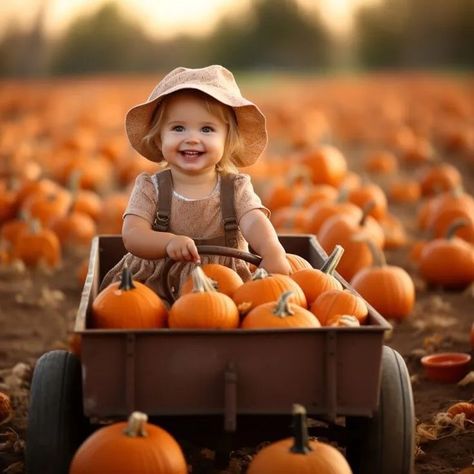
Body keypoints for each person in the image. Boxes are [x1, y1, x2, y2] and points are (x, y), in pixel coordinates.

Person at [101, 65, 291, 301]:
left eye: (207, 129)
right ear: (160, 138)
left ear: (227, 140)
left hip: (224, 285)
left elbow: (254, 221)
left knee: (243, 308)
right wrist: (168, 242)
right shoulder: (151, 187)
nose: (192, 138)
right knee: (132, 307)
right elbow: (132, 235)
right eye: (178, 128)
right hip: (158, 287)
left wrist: (272, 249)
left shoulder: (236, 188)